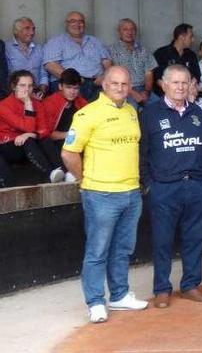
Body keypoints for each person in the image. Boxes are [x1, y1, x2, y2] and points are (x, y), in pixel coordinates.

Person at [61, 66, 146, 323]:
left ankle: (119, 295)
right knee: (97, 250)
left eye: (125, 84)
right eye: (114, 83)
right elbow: (68, 153)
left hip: (131, 192)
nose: (120, 88)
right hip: (101, 194)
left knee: (122, 248)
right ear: (104, 85)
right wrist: (84, 179)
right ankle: (96, 301)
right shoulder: (88, 113)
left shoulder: (131, 111)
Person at [139, 65, 202, 308]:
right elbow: (142, 153)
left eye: (185, 83)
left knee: (194, 238)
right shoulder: (150, 113)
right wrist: (149, 185)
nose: (180, 87)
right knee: (162, 240)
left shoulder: (197, 113)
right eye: (175, 82)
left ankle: (190, 285)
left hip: (196, 186)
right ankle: (162, 289)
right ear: (163, 84)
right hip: (164, 188)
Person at [0, 70, 62, 185]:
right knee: (28, 140)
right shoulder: (3, 106)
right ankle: (50, 174)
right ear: (14, 87)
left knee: (45, 140)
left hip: (27, 142)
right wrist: (28, 103)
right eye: (22, 85)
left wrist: (31, 134)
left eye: (30, 86)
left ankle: (65, 172)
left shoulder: (38, 103)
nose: (27, 89)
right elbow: (27, 128)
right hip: (8, 145)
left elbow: (45, 130)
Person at [43, 11, 110, 100]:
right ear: (66, 24)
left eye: (80, 21)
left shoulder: (95, 41)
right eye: (73, 21)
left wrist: (105, 77)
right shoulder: (56, 41)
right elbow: (50, 65)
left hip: (97, 82)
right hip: (70, 84)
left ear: (84, 24)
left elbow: (107, 63)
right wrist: (74, 79)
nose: (77, 24)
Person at [38, 68, 87, 183]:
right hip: (56, 142)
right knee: (45, 140)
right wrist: (69, 135)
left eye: (76, 88)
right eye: (68, 87)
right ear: (60, 86)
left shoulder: (82, 103)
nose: (72, 92)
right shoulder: (49, 103)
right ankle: (65, 171)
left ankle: (68, 173)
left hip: (75, 141)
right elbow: (47, 133)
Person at [108, 19, 157, 107]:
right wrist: (133, 93)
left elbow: (149, 74)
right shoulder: (111, 50)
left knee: (160, 106)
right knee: (131, 110)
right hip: (123, 89)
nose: (129, 32)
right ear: (119, 32)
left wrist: (146, 92)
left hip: (144, 89)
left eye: (132, 29)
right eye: (125, 29)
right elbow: (111, 76)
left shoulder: (144, 50)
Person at [153, 23, 200, 93]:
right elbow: (157, 79)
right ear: (182, 37)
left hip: (187, 93)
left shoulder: (191, 55)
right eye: (191, 37)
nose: (193, 40)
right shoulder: (161, 53)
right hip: (164, 94)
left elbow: (196, 76)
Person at [7, 16, 46, 97]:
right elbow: (7, 75)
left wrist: (42, 90)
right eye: (27, 28)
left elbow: (43, 73)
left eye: (33, 29)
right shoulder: (7, 48)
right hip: (16, 92)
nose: (32, 33)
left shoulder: (39, 48)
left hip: (37, 91)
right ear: (16, 31)